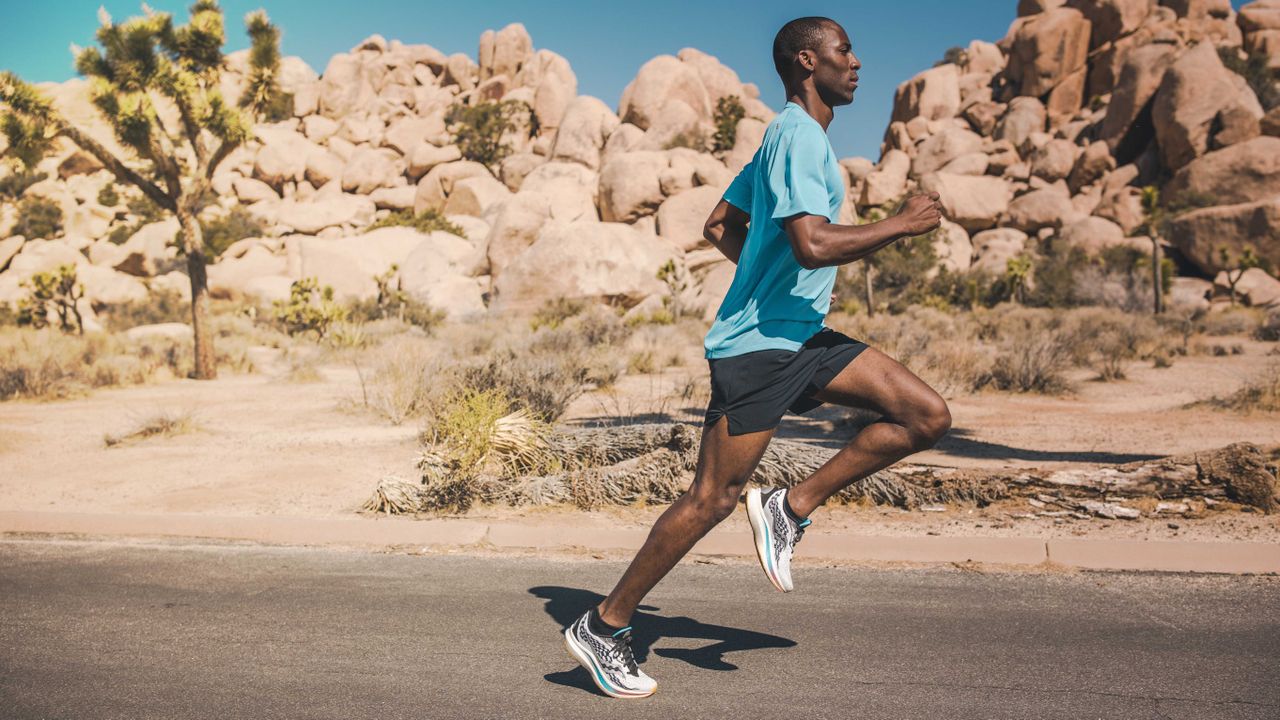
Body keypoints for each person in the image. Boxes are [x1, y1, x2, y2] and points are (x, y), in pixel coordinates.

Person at [562, 16, 950, 699]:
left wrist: (760, 282)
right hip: (762, 350)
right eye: (844, 51)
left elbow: (719, 224)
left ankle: (790, 507)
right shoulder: (797, 136)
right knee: (711, 498)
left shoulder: (785, 138)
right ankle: (604, 624)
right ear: (808, 61)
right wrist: (903, 225)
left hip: (798, 335)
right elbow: (813, 245)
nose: (857, 63)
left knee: (925, 414)